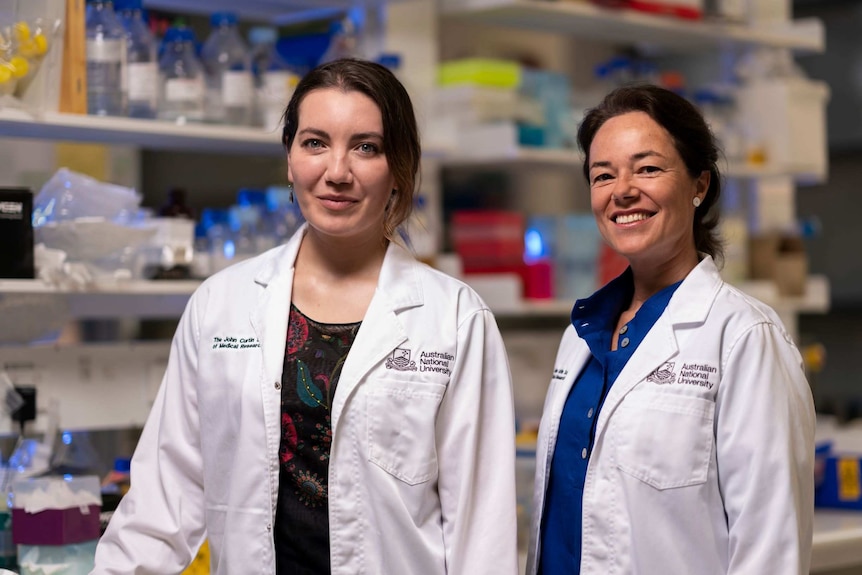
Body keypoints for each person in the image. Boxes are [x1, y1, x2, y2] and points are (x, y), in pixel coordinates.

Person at [93, 58, 519, 575]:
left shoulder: (455, 320)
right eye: (315, 142)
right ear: (290, 160)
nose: (336, 172)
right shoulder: (221, 304)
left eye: (366, 147)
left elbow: (482, 532)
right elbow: (164, 499)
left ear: (399, 168)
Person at [526, 84, 815, 575]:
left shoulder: (744, 337)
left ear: (699, 185)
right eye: (603, 175)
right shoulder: (581, 333)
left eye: (648, 168)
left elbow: (771, 546)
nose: (622, 190)